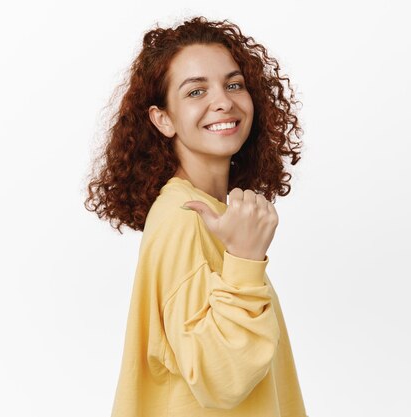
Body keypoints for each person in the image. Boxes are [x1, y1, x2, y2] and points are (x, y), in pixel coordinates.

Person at [84, 16, 307, 417]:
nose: (223, 101)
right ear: (162, 119)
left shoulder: (210, 213)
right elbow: (221, 381)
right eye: (196, 91)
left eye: (234, 84)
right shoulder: (185, 218)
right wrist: (244, 261)